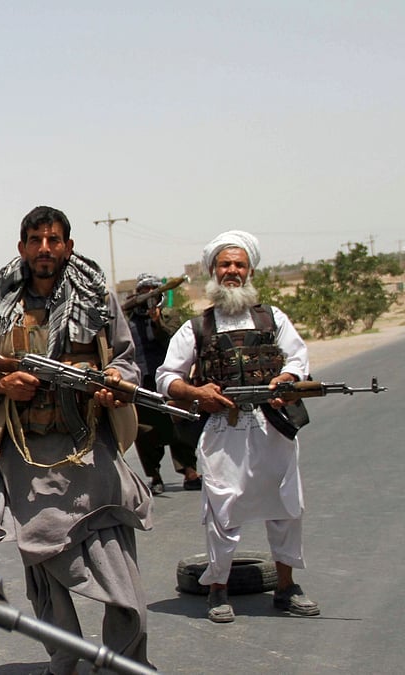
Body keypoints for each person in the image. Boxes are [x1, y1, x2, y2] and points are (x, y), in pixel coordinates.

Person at [0, 205, 153, 674]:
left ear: (68, 246)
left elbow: (127, 359)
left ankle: (125, 663)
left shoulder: (97, 298)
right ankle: (63, 662)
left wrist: (113, 381)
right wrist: (4, 384)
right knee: (45, 574)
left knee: (118, 572)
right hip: (28, 461)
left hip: (91, 456)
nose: (44, 249)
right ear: (22, 247)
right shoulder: (3, 305)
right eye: (35, 240)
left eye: (53, 240)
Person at [156, 230, 319, 624]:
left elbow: (298, 360)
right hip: (223, 429)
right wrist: (196, 392)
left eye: (239, 264)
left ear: (250, 271)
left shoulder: (272, 318)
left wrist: (286, 380)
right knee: (222, 509)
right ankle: (218, 589)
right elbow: (166, 378)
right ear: (214, 271)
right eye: (225, 264)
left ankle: (286, 587)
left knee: (286, 507)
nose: (232, 270)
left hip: (271, 425)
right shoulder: (197, 327)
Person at [126, 272, 202, 494]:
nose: (149, 295)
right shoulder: (128, 320)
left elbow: (174, 341)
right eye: (144, 291)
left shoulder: (171, 315)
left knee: (180, 424)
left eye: (153, 291)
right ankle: (155, 476)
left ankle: (190, 472)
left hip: (170, 381)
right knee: (145, 431)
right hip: (142, 381)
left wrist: (157, 321)